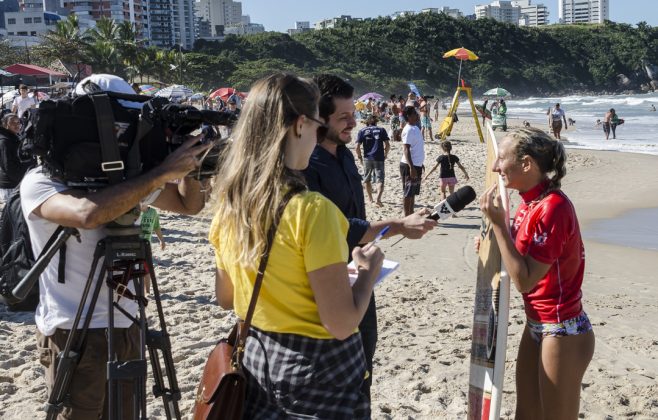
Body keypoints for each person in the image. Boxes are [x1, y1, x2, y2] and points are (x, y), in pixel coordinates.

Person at [20, 74, 212, 419]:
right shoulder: (43, 179)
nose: (118, 137)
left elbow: (188, 205)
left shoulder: (128, 178)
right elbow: (88, 213)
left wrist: (192, 166)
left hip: (128, 322)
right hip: (72, 329)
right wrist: (158, 174)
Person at [210, 72, 384, 418]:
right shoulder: (313, 211)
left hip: (259, 360)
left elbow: (226, 297)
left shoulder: (231, 205)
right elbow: (341, 323)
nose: (319, 136)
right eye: (320, 126)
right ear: (300, 125)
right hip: (318, 373)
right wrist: (367, 274)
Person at [303, 74, 437, 409]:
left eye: (354, 114)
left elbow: (357, 222)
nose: (354, 122)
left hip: (361, 274)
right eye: (343, 117)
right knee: (338, 377)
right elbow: (337, 228)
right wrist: (397, 225)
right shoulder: (306, 166)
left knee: (365, 363)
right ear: (318, 118)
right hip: (327, 279)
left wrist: (391, 229)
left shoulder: (347, 156)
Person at [479, 128, 595, 420]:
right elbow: (515, 261)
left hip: (562, 328)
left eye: (502, 159)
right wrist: (492, 242)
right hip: (536, 324)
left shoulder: (553, 208)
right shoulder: (527, 204)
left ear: (527, 164)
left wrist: (500, 228)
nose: (495, 167)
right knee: (526, 414)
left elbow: (525, 280)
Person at [355, 115, 390, 207]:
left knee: (367, 179)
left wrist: (359, 158)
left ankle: (370, 199)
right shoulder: (381, 129)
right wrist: (385, 154)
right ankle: (378, 199)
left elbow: (357, 147)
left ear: (367, 122)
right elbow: (387, 145)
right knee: (380, 179)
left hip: (367, 158)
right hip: (379, 157)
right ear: (376, 122)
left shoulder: (362, 131)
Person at [400, 106, 425, 216]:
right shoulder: (408, 129)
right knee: (408, 192)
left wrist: (420, 163)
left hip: (416, 164)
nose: (417, 115)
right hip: (409, 165)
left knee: (413, 192)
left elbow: (416, 148)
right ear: (408, 116)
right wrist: (411, 167)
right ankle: (407, 216)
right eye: (414, 113)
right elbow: (406, 149)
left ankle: (411, 214)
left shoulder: (415, 128)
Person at [0, 113, 32, 202]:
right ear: (5, 124)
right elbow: (8, 166)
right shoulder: (4, 141)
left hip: (15, 183)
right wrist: (22, 179)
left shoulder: (14, 137)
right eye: (13, 123)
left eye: (18, 122)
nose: (17, 125)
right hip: (10, 186)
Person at [138, 203, 165, 293]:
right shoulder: (135, 211)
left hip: (146, 246)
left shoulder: (153, 212)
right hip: (134, 245)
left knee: (146, 269)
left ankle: (148, 292)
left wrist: (161, 240)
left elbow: (156, 226)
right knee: (136, 269)